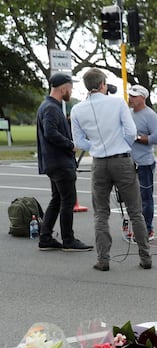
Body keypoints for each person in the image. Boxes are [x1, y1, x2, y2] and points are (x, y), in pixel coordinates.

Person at [70, 68, 151, 271]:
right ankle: (145, 256)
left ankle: (103, 259)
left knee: (101, 213)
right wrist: (121, 145)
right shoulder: (117, 102)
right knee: (135, 211)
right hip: (121, 160)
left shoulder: (77, 110)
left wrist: (96, 147)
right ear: (103, 84)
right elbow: (131, 131)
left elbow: (78, 141)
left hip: (99, 162)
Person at [35, 72, 93, 252]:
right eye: (70, 87)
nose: (71, 90)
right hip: (60, 162)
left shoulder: (46, 106)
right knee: (68, 200)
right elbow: (50, 132)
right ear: (63, 88)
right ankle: (68, 239)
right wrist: (71, 145)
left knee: (57, 199)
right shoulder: (52, 108)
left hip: (53, 162)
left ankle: (45, 237)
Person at [128, 85, 157, 240]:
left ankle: (147, 229)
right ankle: (136, 227)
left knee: (145, 198)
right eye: (130, 95)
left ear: (143, 98)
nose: (131, 98)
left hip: (145, 163)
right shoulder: (128, 113)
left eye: (134, 96)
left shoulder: (150, 115)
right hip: (128, 162)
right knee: (132, 198)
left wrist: (137, 137)